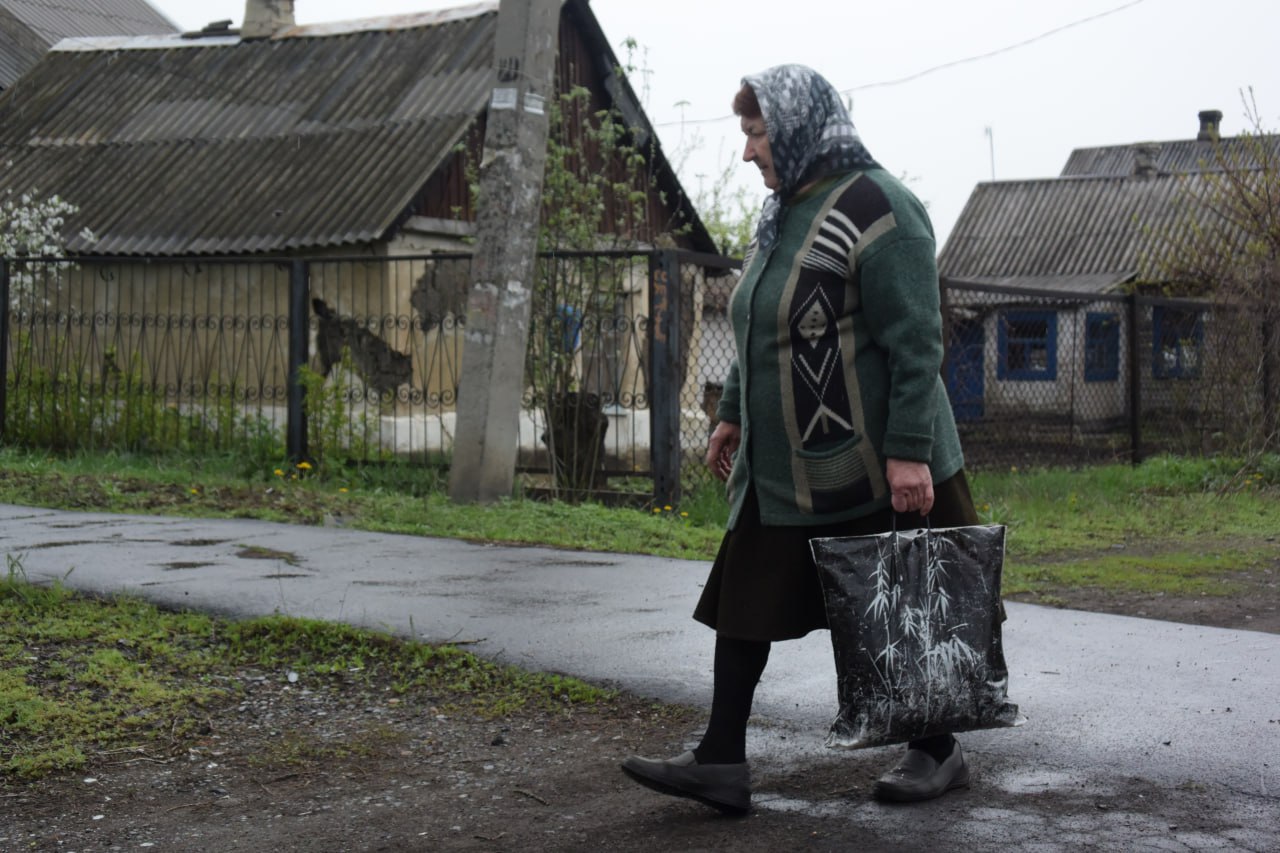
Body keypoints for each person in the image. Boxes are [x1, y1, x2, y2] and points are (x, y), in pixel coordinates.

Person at [620, 63, 982, 815]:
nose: (749, 151)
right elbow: (757, 320)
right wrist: (732, 412)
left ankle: (938, 748)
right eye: (748, 135)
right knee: (745, 593)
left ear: (796, 127)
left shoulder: (880, 206)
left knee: (896, 601)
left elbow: (917, 340)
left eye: (757, 133)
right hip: (788, 464)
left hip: (877, 461)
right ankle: (721, 758)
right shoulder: (784, 213)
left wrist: (910, 447)